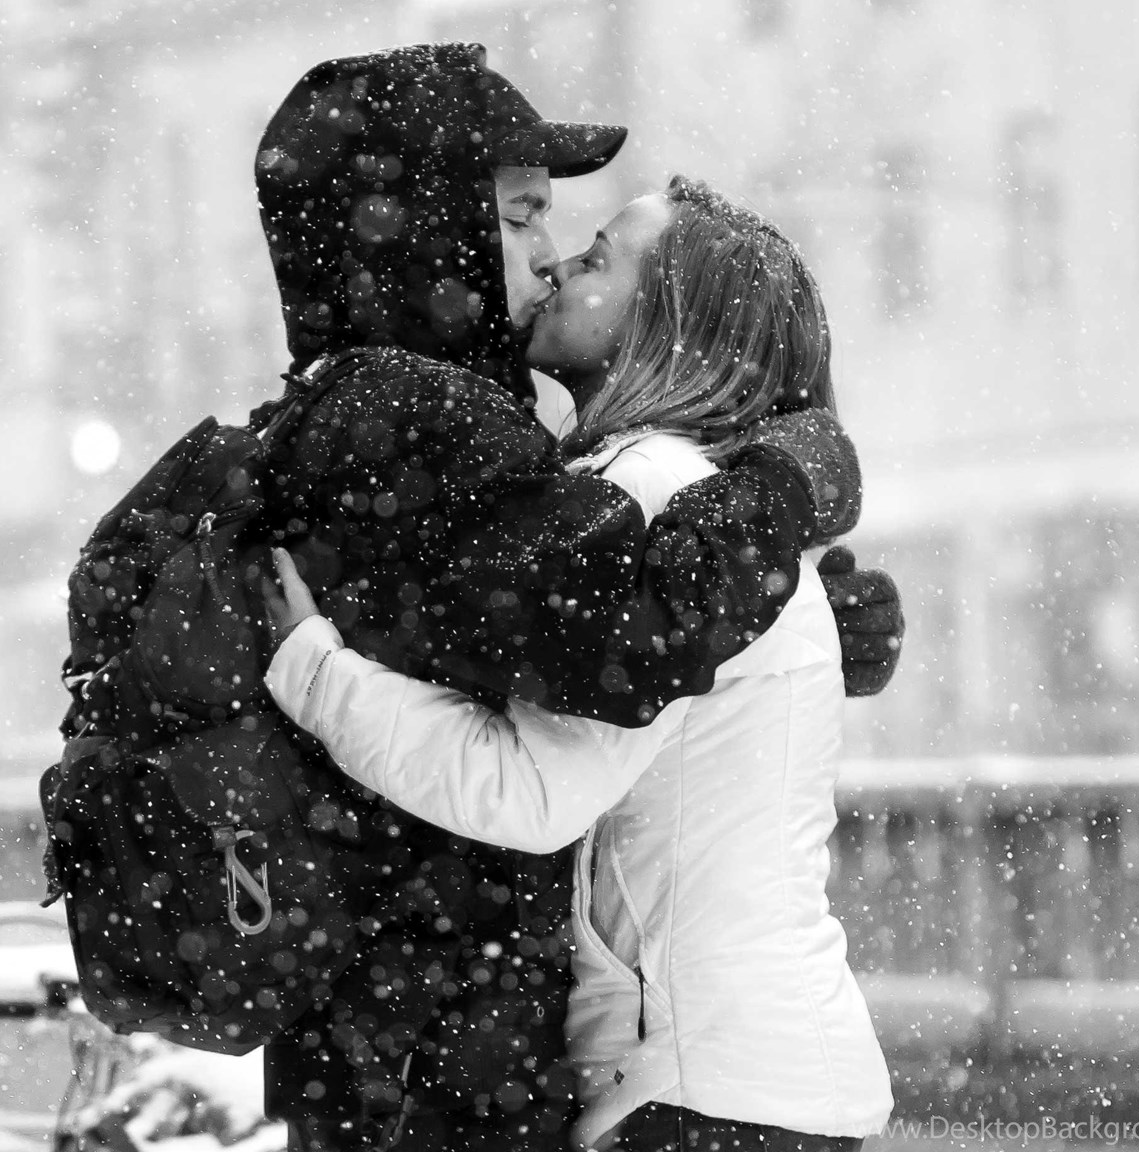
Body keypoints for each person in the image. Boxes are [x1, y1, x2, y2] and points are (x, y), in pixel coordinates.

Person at [218, 43, 899, 1152]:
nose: (552, 262)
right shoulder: (551, 462)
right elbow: (620, 651)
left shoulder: (643, 486)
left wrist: (313, 669)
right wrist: (789, 529)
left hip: (684, 1080)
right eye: (530, 222)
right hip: (686, 1070)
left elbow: (542, 756)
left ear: (666, 324)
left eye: (590, 252)